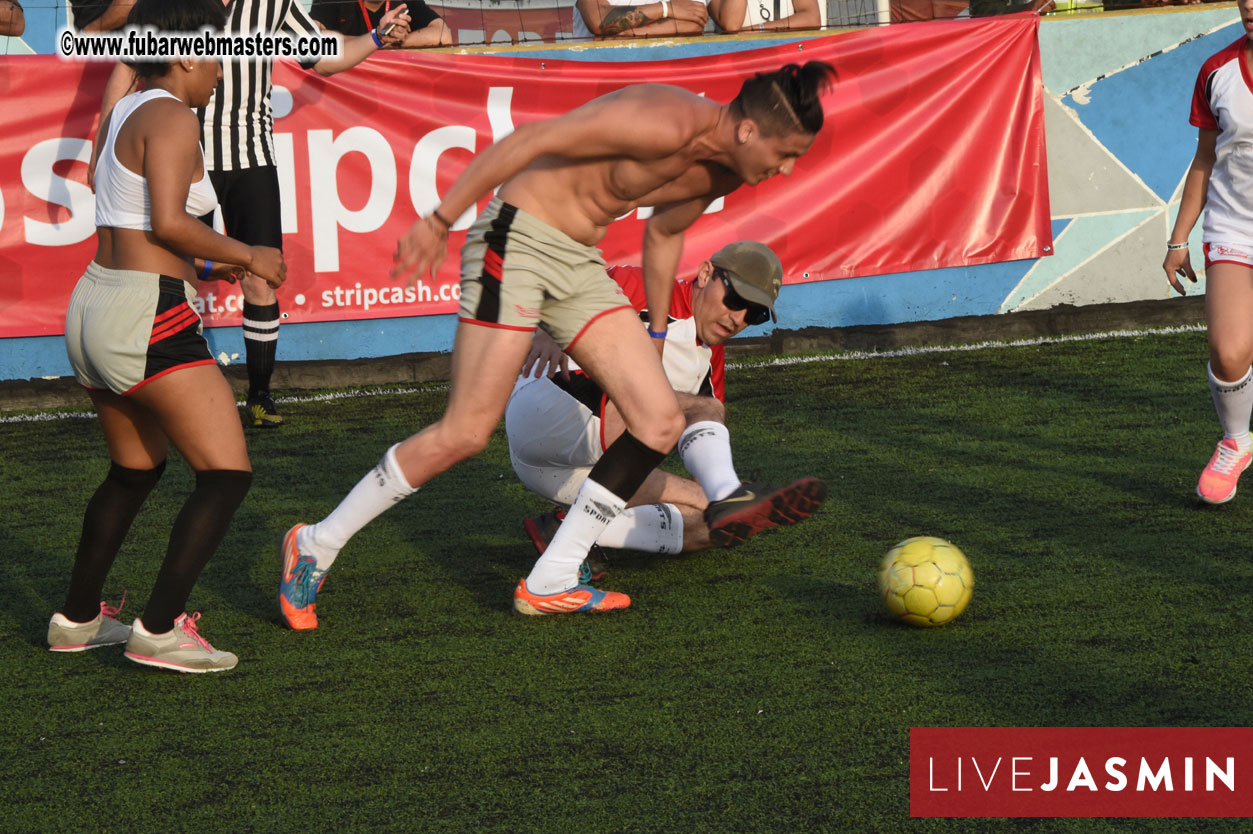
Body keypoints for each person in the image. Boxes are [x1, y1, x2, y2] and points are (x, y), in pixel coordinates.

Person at [277, 61, 835, 627]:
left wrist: (659, 333)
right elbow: (531, 138)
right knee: (465, 433)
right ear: (747, 130)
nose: (786, 169)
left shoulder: (727, 170)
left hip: (578, 263)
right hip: (516, 237)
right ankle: (317, 542)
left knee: (659, 420)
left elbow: (665, 231)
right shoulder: (665, 119)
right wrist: (441, 218)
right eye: (784, 153)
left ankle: (553, 577)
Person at [48, 0, 287, 673]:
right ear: (185, 51)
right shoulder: (175, 116)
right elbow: (170, 224)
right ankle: (158, 630)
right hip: (146, 312)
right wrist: (250, 255)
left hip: (95, 301)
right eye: (216, 53)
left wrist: (213, 261)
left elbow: (134, 218)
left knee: (133, 471)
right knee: (227, 474)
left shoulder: (125, 104)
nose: (220, 69)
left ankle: (76, 619)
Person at [91, 0, 413, 429]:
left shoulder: (273, 4)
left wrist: (375, 37)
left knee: (260, 277)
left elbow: (323, 57)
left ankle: (260, 395)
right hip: (183, 158)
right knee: (178, 270)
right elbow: (127, 68)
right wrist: (101, 148)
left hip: (251, 158)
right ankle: (166, 387)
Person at [507, 241, 826, 567]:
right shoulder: (651, 290)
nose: (738, 318)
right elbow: (564, 282)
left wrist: (728, 505)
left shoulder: (710, 363)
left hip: (559, 469)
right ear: (705, 274)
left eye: (754, 314)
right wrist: (549, 328)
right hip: (549, 406)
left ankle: (564, 533)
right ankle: (728, 493)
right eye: (736, 299)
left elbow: (703, 464)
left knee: (710, 519)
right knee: (696, 409)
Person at [1165, 13, 1253, 505]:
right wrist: (1179, 240)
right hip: (1235, 226)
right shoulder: (1216, 70)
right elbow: (1205, 157)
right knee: (1229, 351)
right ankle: (1236, 441)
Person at [311, 0, 451, 49]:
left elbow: (443, 36)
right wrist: (375, 40)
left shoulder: (406, 2)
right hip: (343, 88)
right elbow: (311, 36)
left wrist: (395, 41)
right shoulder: (334, 2)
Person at [572, 0, 709, 39]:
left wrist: (628, 35)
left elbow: (695, 21)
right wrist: (666, 8)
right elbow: (598, 20)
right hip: (603, 75)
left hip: (663, 75)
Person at [710, 0, 820, 34]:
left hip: (782, 60)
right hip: (739, 63)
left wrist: (761, 29)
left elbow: (812, 18)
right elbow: (731, 25)